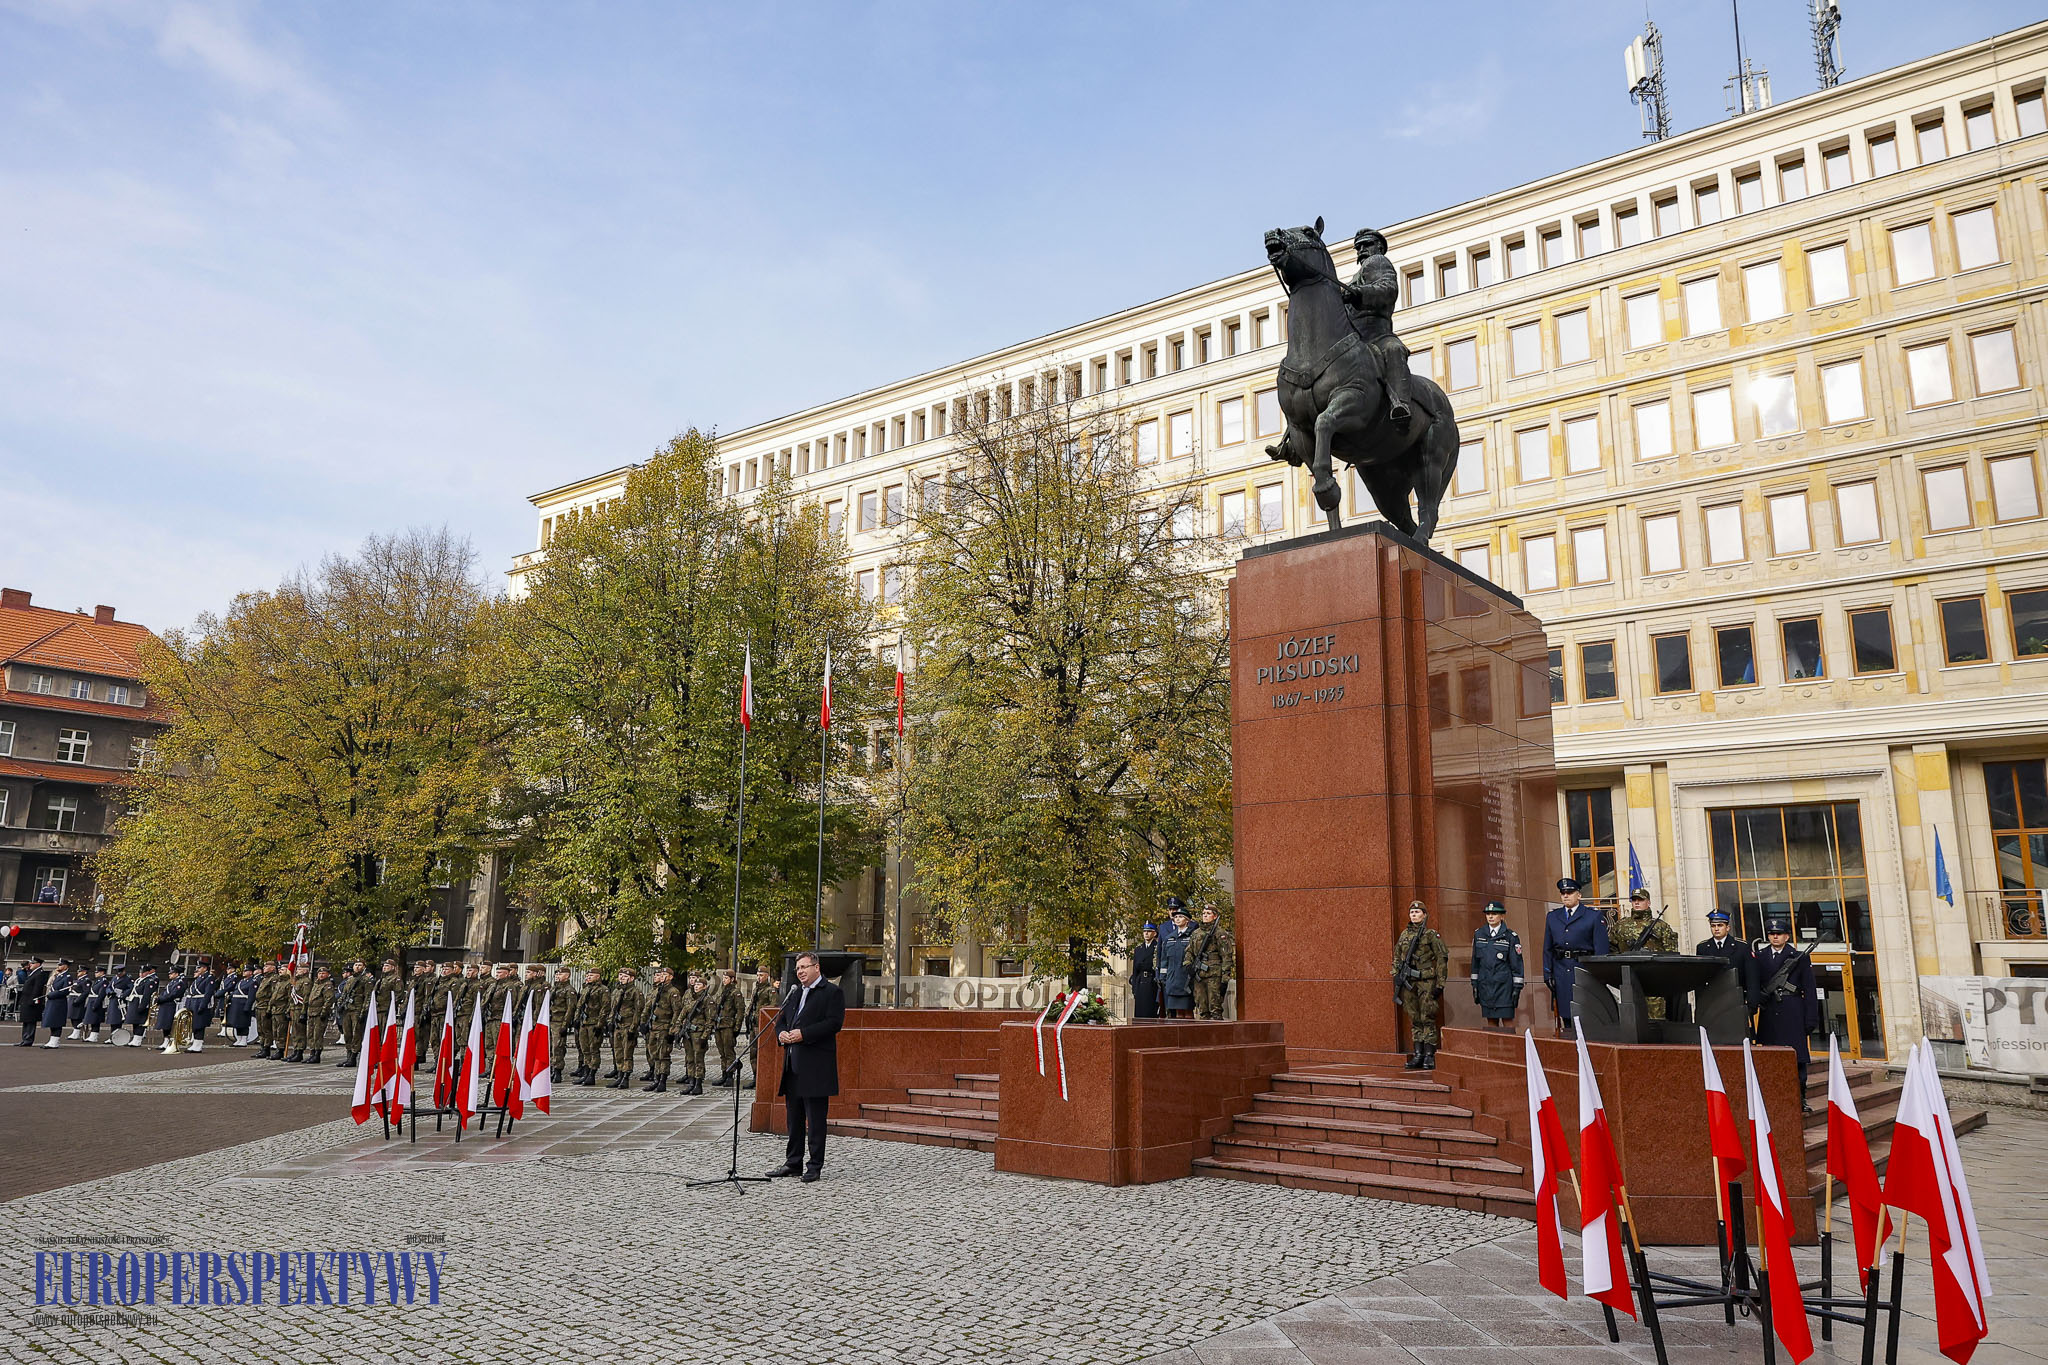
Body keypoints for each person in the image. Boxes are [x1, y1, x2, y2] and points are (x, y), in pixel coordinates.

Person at [767, 950, 845, 1183]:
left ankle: (814, 1166)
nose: (800, 972)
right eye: (797, 968)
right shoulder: (794, 993)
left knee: (816, 1119)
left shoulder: (831, 992)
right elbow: (780, 1021)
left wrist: (803, 1034)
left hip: (816, 1066)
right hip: (792, 1064)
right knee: (794, 1118)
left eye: (804, 967)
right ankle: (793, 1163)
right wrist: (781, 1034)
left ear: (816, 967)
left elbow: (834, 1024)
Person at [1340, 227, 1416, 427]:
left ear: (1379, 247)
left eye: (1366, 245)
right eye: (1358, 247)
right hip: (1355, 339)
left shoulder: (1378, 262)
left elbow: (1388, 289)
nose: (1361, 250)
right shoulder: (1354, 278)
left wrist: (1358, 293)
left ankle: (1401, 405)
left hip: (1377, 335)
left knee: (1394, 349)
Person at [1754, 916, 1820, 1107]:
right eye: (1772, 934)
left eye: (1779, 934)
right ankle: (1770, 1097)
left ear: (1787, 936)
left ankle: (1800, 1097)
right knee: (1769, 1055)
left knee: (1796, 1058)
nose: (1775, 937)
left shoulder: (1798, 957)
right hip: (1770, 1011)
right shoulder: (1760, 956)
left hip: (1792, 1010)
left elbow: (1809, 990)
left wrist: (1810, 1019)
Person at [1541, 877, 1609, 1034]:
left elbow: (1601, 950)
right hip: (1560, 971)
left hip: (1583, 970)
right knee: (1566, 1017)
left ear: (1579, 895)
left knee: (1586, 1016)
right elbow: (1547, 948)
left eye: (1570, 892)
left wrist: (1599, 975)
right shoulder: (1553, 917)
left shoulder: (1592, 916)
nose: (1566, 896)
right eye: (1563, 893)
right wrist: (1547, 973)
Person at [1393, 900, 1450, 1069]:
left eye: (1417, 912)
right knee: (1415, 1018)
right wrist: (1396, 974)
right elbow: (1397, 956)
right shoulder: (1404, 935)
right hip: (1409, 982)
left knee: (1427, 1017)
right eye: (1412, 913)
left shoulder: (1431, 935)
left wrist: (1440, 983)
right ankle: (1418, 1054)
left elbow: (1441, 959)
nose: (1414, 915)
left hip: (1426, 981)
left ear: (1424, 915)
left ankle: (1429, 1055)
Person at [1469, 901, 1524, 1029]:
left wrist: (1517, 988)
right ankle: (1495, 1049)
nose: (1491, 917)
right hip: (1486, 985)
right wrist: (1474, 985)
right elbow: (1475, 963)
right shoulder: (1479, 934)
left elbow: (1517, 964)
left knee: (1508, 1023)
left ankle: (1510, 1049)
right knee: (1491, 1023)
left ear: (1502, 916)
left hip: (1504, 987)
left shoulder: (1510, 936)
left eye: (1494, 914)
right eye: (1488, 914)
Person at [1697, 909, 1756, 1025]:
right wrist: (1700, 1004)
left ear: (1728, 928)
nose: (1716, 929)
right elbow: (1700, 978)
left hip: (1736, 1000)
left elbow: (1751, 977)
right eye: (1713, 926)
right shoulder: (1703, 947)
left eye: (1720, 925)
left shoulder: (1742, 947)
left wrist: (1752, 1003)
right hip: (1712, 1001)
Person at [1187, 905, 1234, 1020]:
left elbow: (1226, 956)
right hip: (1199, 975)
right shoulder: (1196, 933)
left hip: (1214, 975)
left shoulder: (1220, 933)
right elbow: (1189, 951)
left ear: (1215, 916)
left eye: (1208, 913)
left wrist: (1225, 977)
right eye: (1204, 913)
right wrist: (1188, 964)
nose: (1205, 916)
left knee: (1215, 1009)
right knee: (1202, 1008)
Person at [643, 966, 682, 1093]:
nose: (662, 976)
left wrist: (673, 1030)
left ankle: (662, 1081)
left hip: (665, 1028)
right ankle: (656, 1078)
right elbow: (648, 1008)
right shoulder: (656, 991)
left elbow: (677, 1012)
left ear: (670, 977)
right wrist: (643, 1023)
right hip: (653, 1027)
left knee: (663, 1055)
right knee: (654, 1054)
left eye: (665, 974)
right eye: (661, 974)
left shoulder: (673, 992)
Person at [606, 967, 646, 1089]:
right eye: (620, 976)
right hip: (617, 1025)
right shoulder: (617, 991)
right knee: (618, 1052)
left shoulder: (635, 992)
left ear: (631, 978)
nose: (621, 978)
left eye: (624, 976)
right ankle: (619, 1075)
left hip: (628, 1026)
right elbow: (613, 1008)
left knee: (626, 1053)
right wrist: (610, 1022)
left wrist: (633, 1028)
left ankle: (626, 1077)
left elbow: (638, 1011)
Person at [677, 971, 712, 1096]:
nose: (696, 986)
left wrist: (704, 1036)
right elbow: (682, 1013)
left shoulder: (707, 1000)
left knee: (698, 1059)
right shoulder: (690, 997)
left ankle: (698, 1084)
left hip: (699, 1034)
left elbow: (710, 1020)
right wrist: (678, 1029)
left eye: (699, 985)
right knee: (690, 1059)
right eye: (695, 984)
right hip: (688, 1033)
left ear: (704, 986)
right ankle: (691, 1082)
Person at [570, 967, 607, 1086]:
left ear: (598, 976)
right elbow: (579, 1006)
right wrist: (576, 1019)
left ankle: (592, 1074)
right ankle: (586, 1073)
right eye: (587, 975)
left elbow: (605, 1008)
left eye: (591, 975)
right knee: (584, 1049)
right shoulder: (586, 989)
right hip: (583, 1023)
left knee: (593, 1049)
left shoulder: (603, 990)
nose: (588, 977)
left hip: (594, 1023)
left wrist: (600, 1025)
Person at [1160, 902, 1195, 1018]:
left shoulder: (1192, 936)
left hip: (1186, 980)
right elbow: (1164, 959)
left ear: (1187, 920)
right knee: (1177, 1014)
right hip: (1172, 980)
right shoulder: (1169, 938)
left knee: (1188, 1013)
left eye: (1180, 917)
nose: (1177, 919)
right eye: (1175, 917)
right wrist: (1163, 977)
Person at [711, 968, 743, 1087]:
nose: (724, 980)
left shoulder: (735, 992)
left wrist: (737, 1027)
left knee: (729, 1052)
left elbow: (740, 1010)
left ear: (732, 979)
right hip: (719, 1025)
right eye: (723, 978)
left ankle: (730, 1075)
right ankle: (724, 1074)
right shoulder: (722, 992)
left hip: (728, 1025)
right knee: (722, 1052)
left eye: (726, 978)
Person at [336, 960, 371, 1068]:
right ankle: (348, 1055)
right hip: (347, 1010)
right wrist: (340, 1004)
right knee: (347, 1034)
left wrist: (363, 1011)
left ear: (364, 967)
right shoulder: (350, 980)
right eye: (356, 965)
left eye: (360, 965)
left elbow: (368, 996)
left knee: (357, 1034)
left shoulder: (366, 980)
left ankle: (353, 1057)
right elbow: (344, 994)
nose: (357, 967)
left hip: (357, 1009)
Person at [547, 966, 577, 1083]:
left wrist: (565, 1024)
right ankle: (551, 1068)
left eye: (560, 974)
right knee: (550, 1047)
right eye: (557, 975)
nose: (557, 976)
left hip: (559, 1021)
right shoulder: (554, 988)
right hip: (551, 1020)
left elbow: (570, 1008)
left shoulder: (569, 990)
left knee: (557, 1047)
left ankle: (558, 1070)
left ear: (567, 976)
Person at [1129, 923, 1161, 1019]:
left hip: (1152, 981)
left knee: (1150, 1010)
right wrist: (1134, 985)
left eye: (1149, 931)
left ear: (1154, 933)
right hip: (1140, 981)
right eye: (1144, 931)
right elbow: (1135, 969)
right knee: (1140, 1011)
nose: (1146, 933)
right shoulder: (1138, 949)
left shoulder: (1157, 947)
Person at [14, 957, 48, 1046]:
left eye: (33, 963)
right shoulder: (32, 973)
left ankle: (28, 1039)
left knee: (30, 1021)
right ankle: (24, 1039)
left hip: (31, 1000)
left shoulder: (40, 973)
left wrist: (33, 999)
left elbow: (37, 988)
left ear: (38, 964)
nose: (30, 965)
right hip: (26, 999)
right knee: (26, 1020)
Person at [41, 961, 74, 1049]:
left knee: (56, 1021)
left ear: (66, 966)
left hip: (59, 1002)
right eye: (58, 965)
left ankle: (55, 1041)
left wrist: (53, 994)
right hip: (53, 1001)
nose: (58, 966)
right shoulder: (59, 976)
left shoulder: (68, 977)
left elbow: (65, 991)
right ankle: (52, 1039)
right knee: (52, 1021)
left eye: (60, 965)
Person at [122, 963, 156, 1047]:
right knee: (134, 1021)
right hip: (134, 1001)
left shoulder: (149, 981)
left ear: (148, 972)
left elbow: (146, 995)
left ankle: (138, 1039)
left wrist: (142, 1005)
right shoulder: (138, 980)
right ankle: (135, 1038)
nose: (141, 974)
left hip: (141, 1002)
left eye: (143, 972)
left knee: (140, 1021)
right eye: (140, 972)